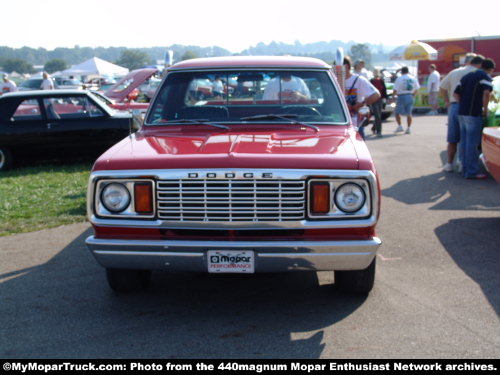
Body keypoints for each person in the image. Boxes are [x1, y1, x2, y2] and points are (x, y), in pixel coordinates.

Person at [439, 54, 484, 172]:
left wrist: (447, 101)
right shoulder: (477, 73)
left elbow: (442, 87)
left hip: (454, 106)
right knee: (468, 138)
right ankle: (463, 163)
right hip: (470, 107)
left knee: (453, 138)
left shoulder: (454, 72)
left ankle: (449, 164)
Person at [454, 58, 495, 179]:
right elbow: (487, 93)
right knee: (472, 143)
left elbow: (456, 94)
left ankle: (463, 167)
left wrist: (463, 104)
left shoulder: (466, 76)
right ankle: (471, 172)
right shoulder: (485, 77)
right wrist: (485, 109)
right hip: (473, 113)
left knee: (464, 142)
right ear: (491, 69)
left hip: (462, 112)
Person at [343, 57, 380, 139]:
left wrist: (362, 104)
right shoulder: (334, 80)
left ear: (346, 66)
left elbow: (376, 94)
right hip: (339, 122)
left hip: (357, 121)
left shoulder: (359, 80)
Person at [393, 66, 420, 134]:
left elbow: (395, 89)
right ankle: (408, 128)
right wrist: (413, 95)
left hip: (401, 96)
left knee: (397, 112)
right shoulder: (413, 78)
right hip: (410, 95)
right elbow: (417, 88)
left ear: (402, 71)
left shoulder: (399, 78)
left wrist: (393, 97)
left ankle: (400, 126)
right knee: (409, 113)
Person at [370, 69, 388, 137]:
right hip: (373, 99)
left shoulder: (381, 81)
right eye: (375, 72)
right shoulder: (371, 81)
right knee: (377, 115)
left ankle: (374, 128)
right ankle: (379, 131)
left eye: (377, 72)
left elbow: (384, 90)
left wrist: (385, 99)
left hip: (380, 100)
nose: (376, 73)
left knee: (379, 116)